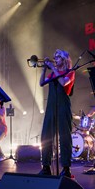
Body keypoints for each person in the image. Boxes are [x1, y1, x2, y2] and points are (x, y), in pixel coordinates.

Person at [38, 49, 75, 178]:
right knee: (46, 136)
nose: (55, 58)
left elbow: (63, 82)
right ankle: (46, 166)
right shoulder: (53, 74)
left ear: (64, 59)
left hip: (63, 106)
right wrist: (44, 69)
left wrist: (53, 68)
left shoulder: (70, 72)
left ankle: (66, 168)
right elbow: (42, 83)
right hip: (51, 107)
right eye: (54, 57)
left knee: (65, 137)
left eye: (58, 56)